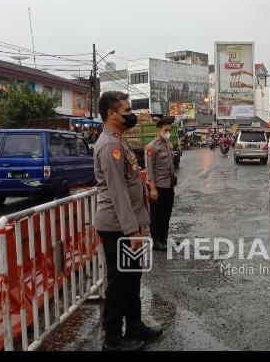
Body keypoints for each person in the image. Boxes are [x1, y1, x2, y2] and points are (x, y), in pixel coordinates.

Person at [94, 91, 163, 351]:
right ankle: (112, 339)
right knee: (119, 283)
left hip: (128, 226)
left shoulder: (118, 141)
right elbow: (118, 192)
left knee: (132, 279)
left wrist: (138, 226)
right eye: (126, 110)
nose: (130, 115)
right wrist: (133, 230)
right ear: (111, 114)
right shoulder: (110, 145)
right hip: (119, 228)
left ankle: (134, 325)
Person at [145, 117, 176, 252]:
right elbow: (149, 170)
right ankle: (156, 241)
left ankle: (164, 238)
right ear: (159, 129)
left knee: (166, 214)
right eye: (166, 130)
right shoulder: (152, 147)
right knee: (157, 214)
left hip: (169, 186)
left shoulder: (168, 145)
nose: (168, 132)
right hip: (158, 187)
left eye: (169, 130)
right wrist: (152, 189)